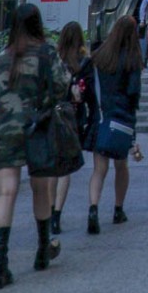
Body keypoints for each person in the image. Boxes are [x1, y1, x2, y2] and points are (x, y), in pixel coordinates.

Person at [0, 2, 70, 289]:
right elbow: (61, 86)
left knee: (6, 192)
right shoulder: (46, 53)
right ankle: (42, 249)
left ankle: (0, 265)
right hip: (38, 131)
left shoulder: (1, 58)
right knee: (41, 189)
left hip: (6, 131)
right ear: (37, 24)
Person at [87, 15, 142, 234]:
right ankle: (118, 209)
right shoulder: (132, 59)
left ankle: (93, 207)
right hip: (122, 119)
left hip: (101, 118)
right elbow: (133, 94)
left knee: (99, 169)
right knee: (121, 166)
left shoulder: (99, 56)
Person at [51, 22, 93, 237]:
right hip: (71, 117)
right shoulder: (84, 63)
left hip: (51, 117)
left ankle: (49, 212)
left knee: (52, 167)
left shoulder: (54, 61)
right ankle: (57, 214)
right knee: (65, 170)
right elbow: (86, 94)